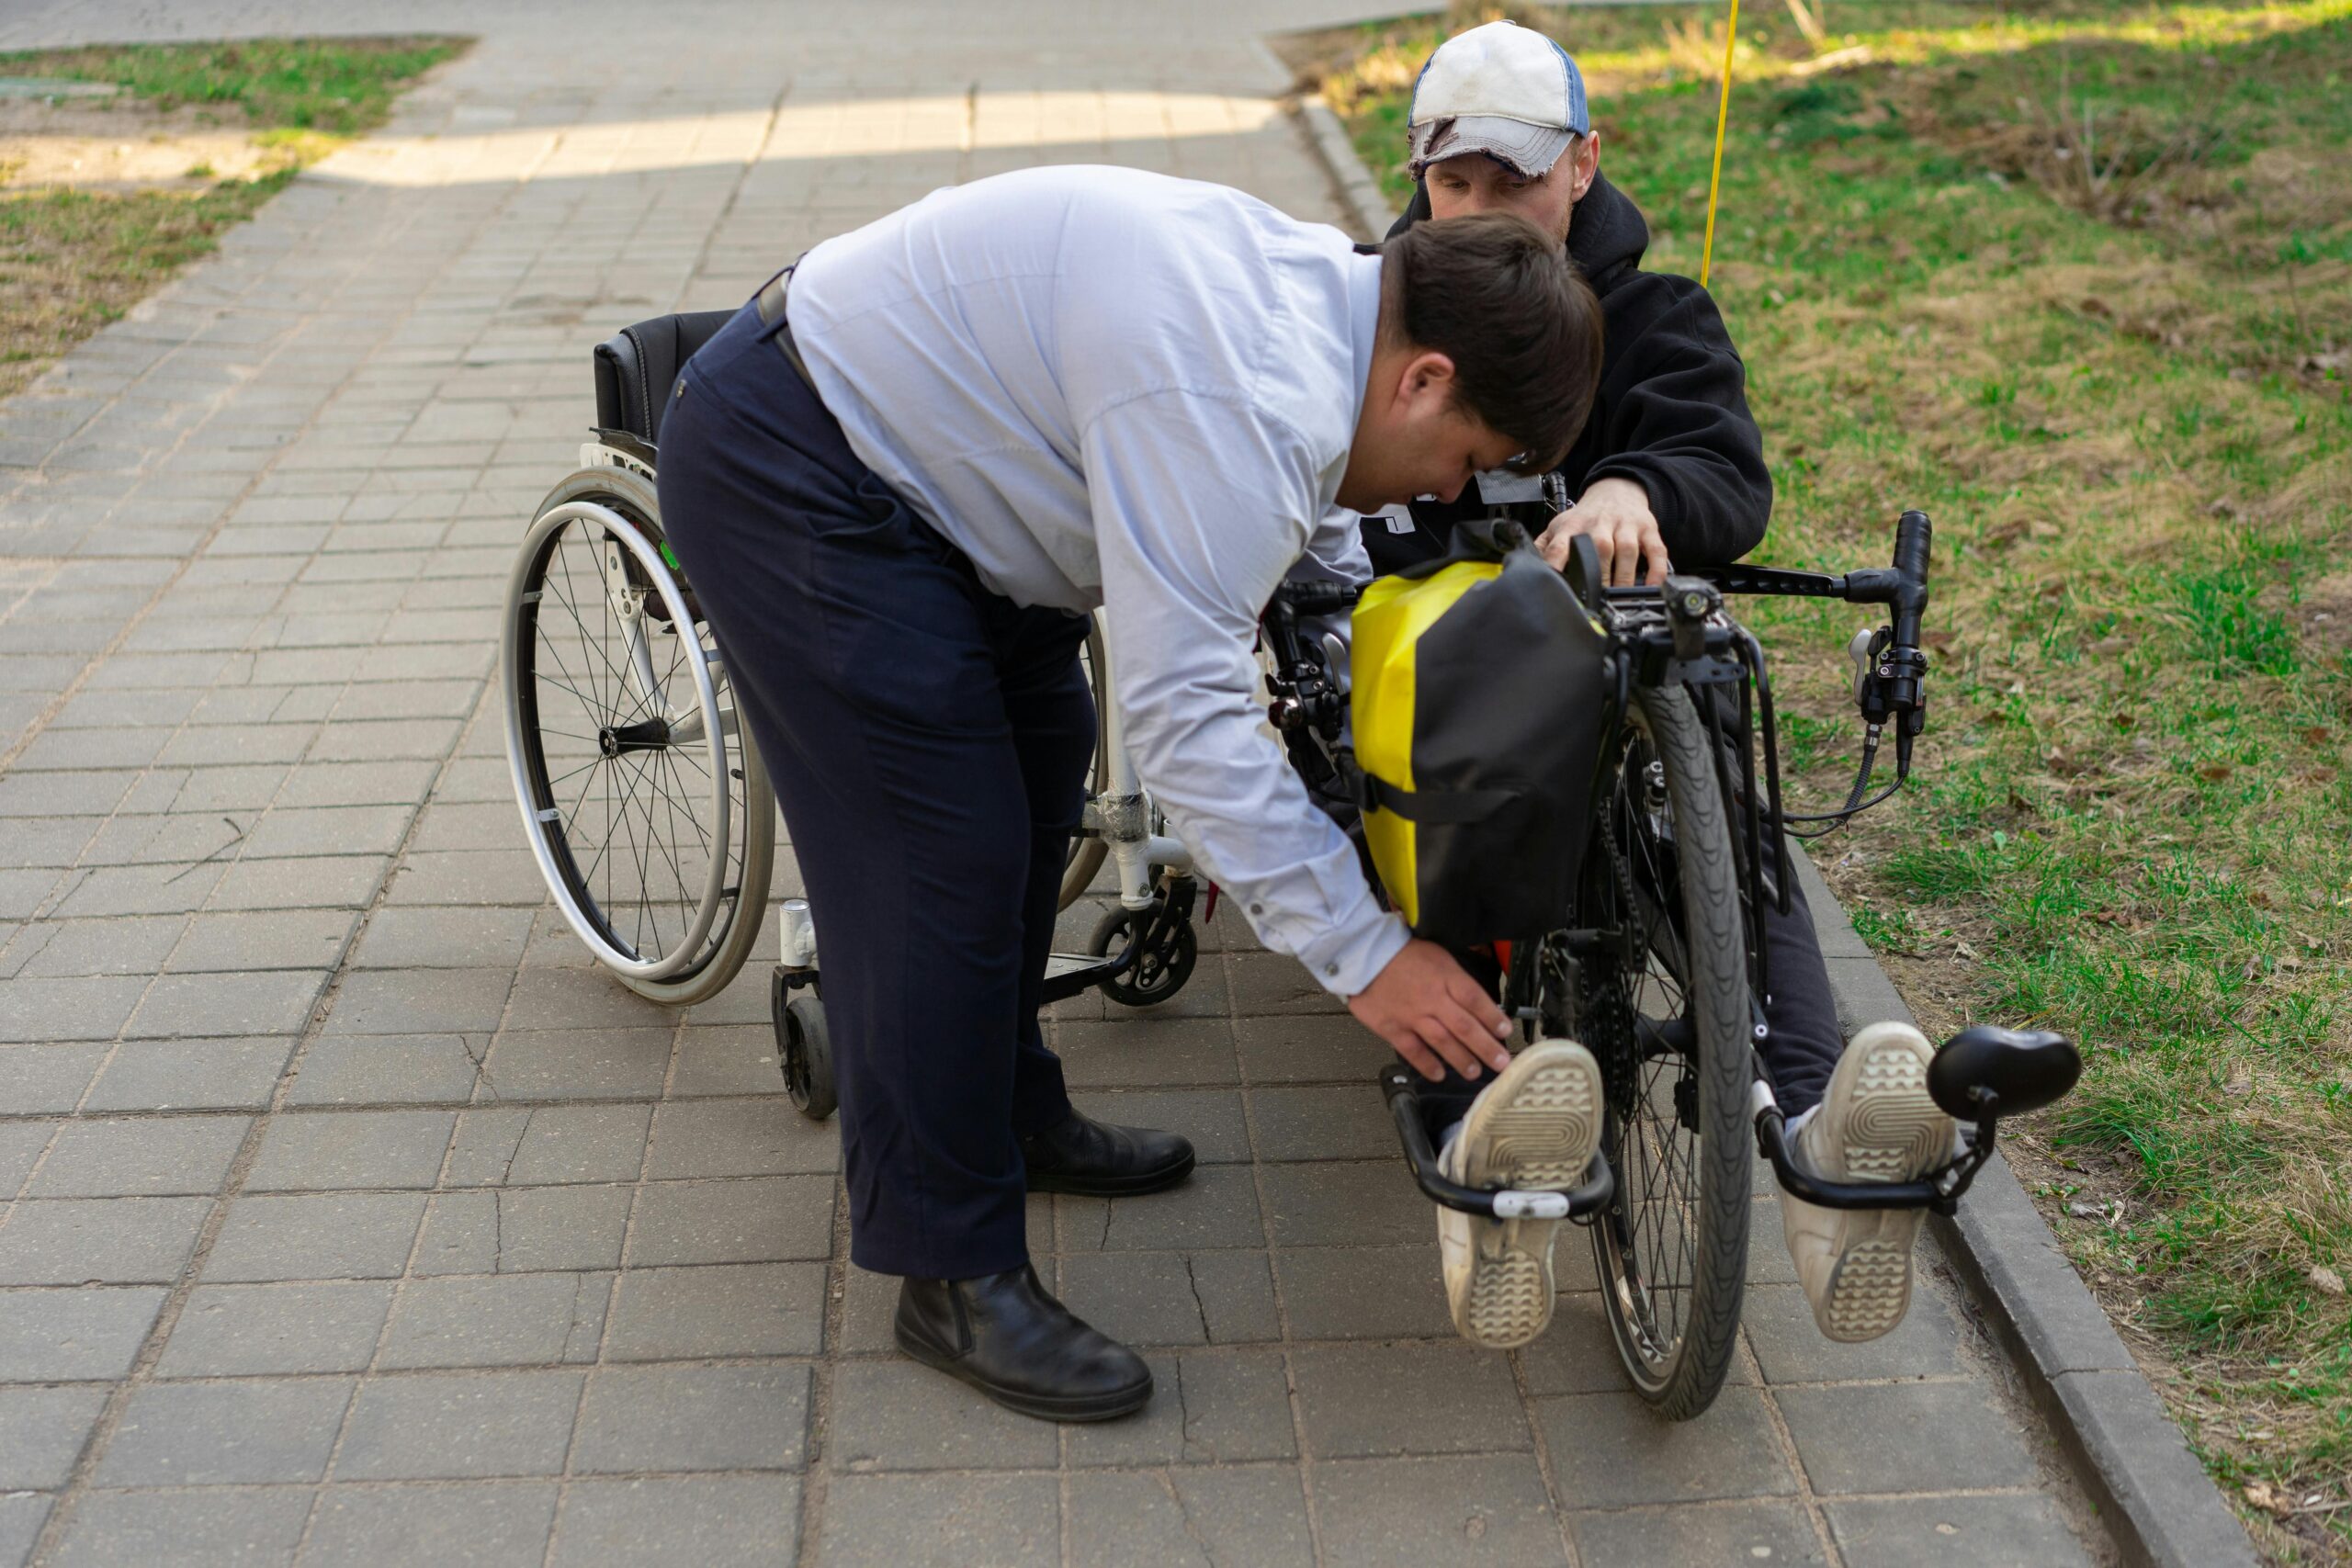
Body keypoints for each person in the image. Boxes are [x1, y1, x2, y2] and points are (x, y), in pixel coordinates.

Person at [656, 164, 1609, 1422]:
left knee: (1037, 781)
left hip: (951, 490)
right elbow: (1190, 725)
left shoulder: (1340, 310)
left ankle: (1004, 1115)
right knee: (939, 862)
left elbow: (1300, 497)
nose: (1444, 495)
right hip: (800, 464)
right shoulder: (1228, 384)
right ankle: (946, 1268)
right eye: (1464, 461)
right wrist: (1367, 958)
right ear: (1426, 379)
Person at [1367, 20, 1958, 1351]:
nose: (1474, 216)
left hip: (1612, 669)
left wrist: (1635, 485)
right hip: (1442, 687)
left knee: (1717, 723)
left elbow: (1722, 469)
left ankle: (1817, 1130)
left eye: (1508, 183)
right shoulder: (1378, 302)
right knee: (1429, 727)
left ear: (1582, 167)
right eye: (1447, 186)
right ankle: (1476, 1146)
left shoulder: (1653, 313)